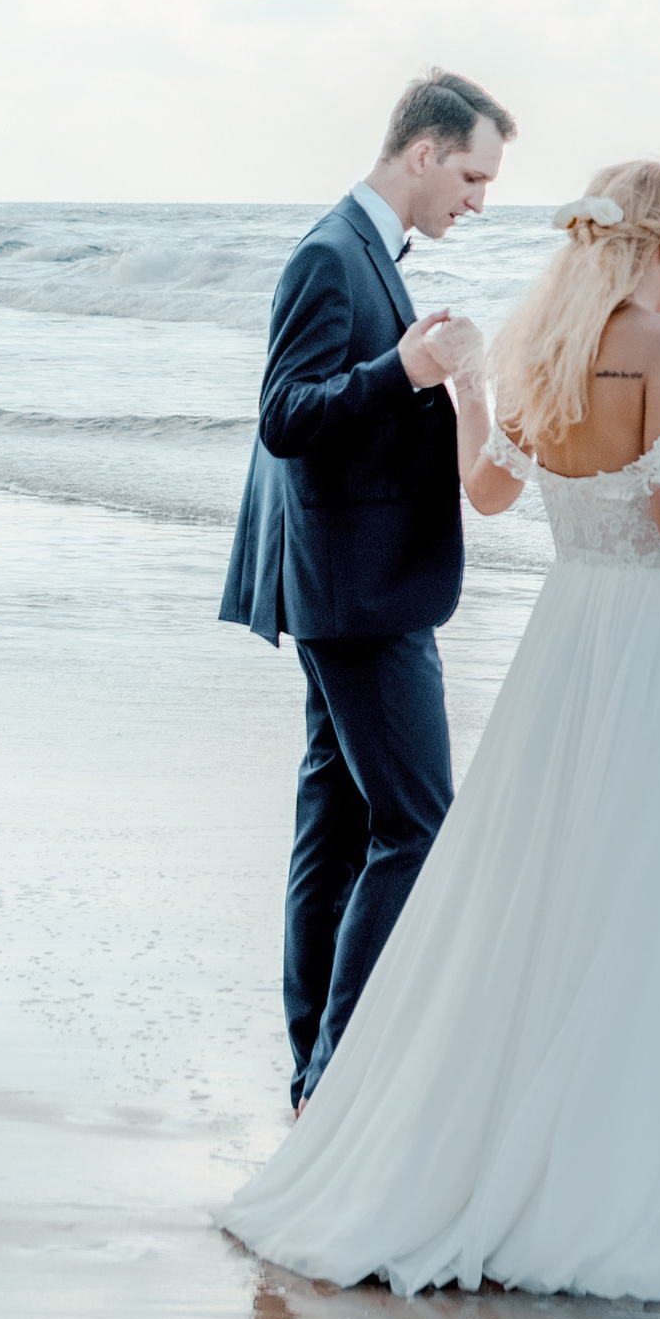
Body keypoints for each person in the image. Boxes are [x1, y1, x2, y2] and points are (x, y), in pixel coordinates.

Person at [224, 159, 660, 1308]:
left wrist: (470, 386)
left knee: (556, 890)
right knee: (639, 896)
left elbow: (488, 491)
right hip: (652, 644)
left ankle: (652, 1153)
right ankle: (637, 1166)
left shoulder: (543, 343)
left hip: (566, 638)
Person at [221, 69, 516, 1109]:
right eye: (472, 176)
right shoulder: (329, 255)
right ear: (423, 152)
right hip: (359, 592)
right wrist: (404, 370)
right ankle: (340, 1076)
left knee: (339, 827)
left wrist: (429, 373)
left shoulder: (362, 255)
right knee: (417, 826)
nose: (477, 201)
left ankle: (316, 1068)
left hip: (350, 581)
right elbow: (285, 418)